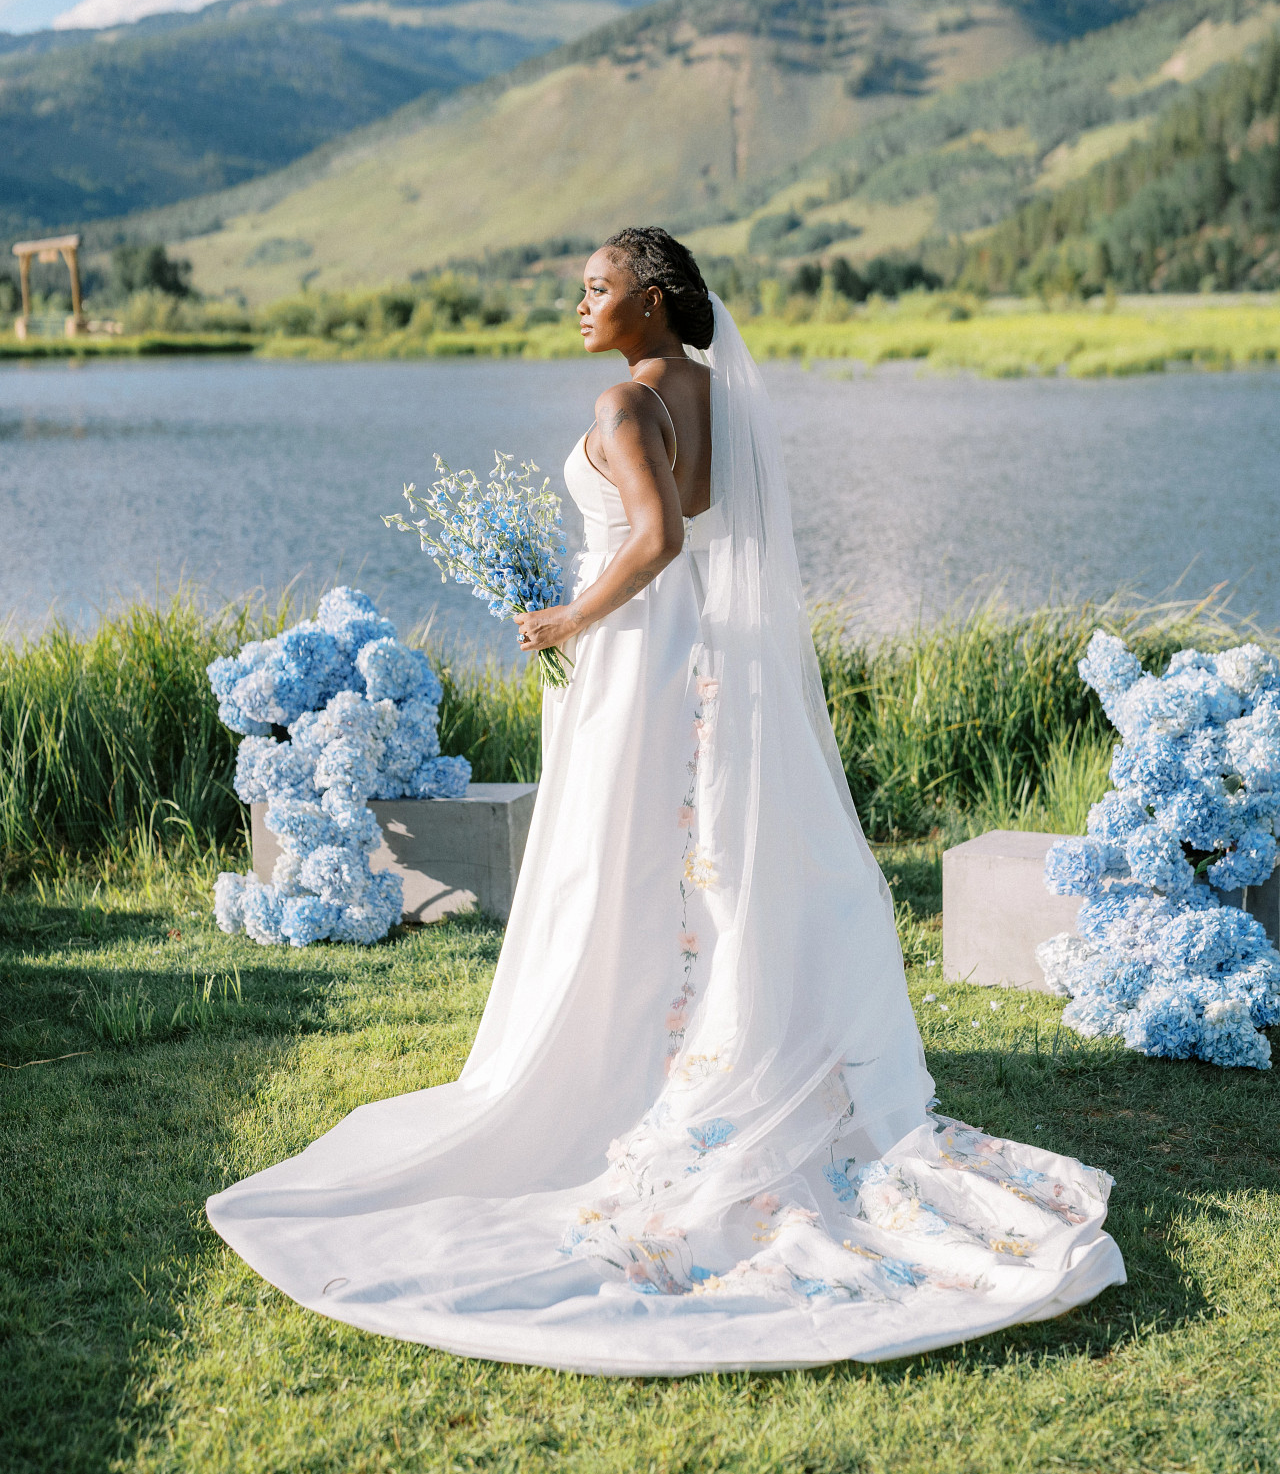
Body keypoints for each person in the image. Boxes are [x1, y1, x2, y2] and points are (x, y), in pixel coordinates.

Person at [207, 227, 1124, 1374]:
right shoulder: (706, 386)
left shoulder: (624, 399)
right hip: (703, 651)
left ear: (649, 299)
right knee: (688, 859)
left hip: (639, 655)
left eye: (596, 288)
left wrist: (561, 619)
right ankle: (687, 1022)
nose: (577, 303)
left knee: (620, 854)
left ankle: (623, 1053)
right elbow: (699, 528)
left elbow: (657, 536)